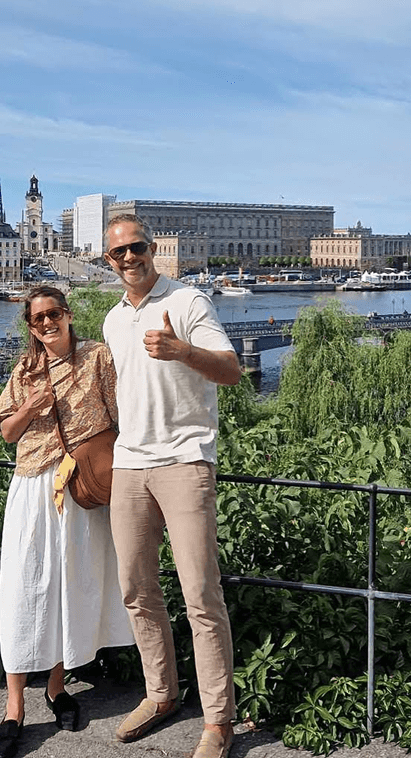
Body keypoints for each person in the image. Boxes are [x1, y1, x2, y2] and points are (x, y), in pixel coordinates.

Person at [102, 215, 241, 758]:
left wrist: (183, 350)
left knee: (201, 595)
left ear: (152, 248)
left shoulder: (187, 302)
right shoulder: (114, 318)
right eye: (118, 253)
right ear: (107, 260)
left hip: (185, 460)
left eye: (136, 248)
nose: (129, 258)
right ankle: (161, 693)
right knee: (137, 590)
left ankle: (218, 720)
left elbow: (229, 370)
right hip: (129, 463)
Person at [0, 286, 133, 758]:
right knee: (24, 587)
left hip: (81, 486)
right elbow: (8, 431)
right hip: (33, 486)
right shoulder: (25, 369)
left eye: (53, 314)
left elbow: (122, 418)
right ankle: (14, 708)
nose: (47, 324)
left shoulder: (98, 357)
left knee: (69, 585)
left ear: (68, 316)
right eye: (37, 319)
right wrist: (33, 405)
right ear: (30, 326)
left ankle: (56, 688)